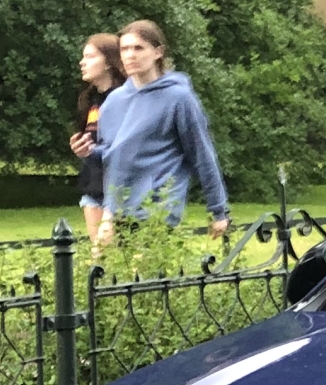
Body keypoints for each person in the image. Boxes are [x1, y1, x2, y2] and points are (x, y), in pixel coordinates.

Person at [96, 19, 231, 242]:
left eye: (138, 48)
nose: (130, 55)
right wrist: (89, 152)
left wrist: (218, 209)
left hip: (157, 210)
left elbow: (201, 153)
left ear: (158, 52)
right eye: (124, 49)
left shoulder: (178, 98)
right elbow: (114, 157)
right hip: (117, 212)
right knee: (104, 274)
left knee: (144, 274)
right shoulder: (113, 101)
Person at [69, 33, 124, 241]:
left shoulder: (124, 99)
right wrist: (80, 149)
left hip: (120, 192)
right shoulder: (90, 100)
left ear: (109, 62)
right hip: (93, 189)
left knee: (120, 260)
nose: (82, 63)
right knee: (99, 260)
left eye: (90, 57)